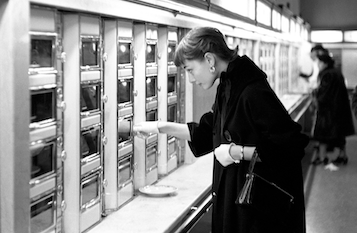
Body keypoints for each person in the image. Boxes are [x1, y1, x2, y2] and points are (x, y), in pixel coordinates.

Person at [134, 27, 309, 233]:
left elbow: (291, 146)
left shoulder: (251, 91)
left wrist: (237, 152)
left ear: (209, 60)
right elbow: (207, 131)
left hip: (258, 215)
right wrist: (159, 127)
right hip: (237, 201)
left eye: (190, 70)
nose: (190, 79)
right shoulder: (228, 86)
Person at [311, 53, 355, 165]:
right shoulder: (336, 72)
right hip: (339, 109)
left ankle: (322, 157)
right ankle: (342, 155)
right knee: (339, 134)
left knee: (322, 134)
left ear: (325, 63)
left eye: (319, 63)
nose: (318, 65)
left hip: (328, 111)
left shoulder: (327, 75)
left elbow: (324, 94)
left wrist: (315, 94)